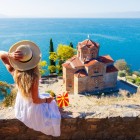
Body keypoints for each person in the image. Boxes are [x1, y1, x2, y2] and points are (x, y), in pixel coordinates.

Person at [0, 40, 61, 137]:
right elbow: (36, 100)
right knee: (52, 103)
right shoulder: (34, 78)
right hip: (32, 108)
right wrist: (47, 100)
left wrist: (9, 55)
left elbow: (1, 54)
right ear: (34, 60)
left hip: (21, 105)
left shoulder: (14, 72)